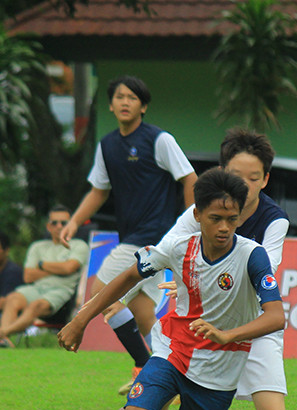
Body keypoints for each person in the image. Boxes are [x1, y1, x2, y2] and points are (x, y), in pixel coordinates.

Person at [89, 128, 297, 410]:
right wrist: (167, 284)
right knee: (158, 397)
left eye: (255, 179)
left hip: (249, 327)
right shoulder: (199, 210)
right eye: (238, 176)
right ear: (222, 172)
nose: (246, 186)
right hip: (197, 324)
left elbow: (262, 289)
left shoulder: (273, 222)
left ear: (266, 179)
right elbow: (164, 252)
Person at [60, 75, 197, 384]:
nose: (125, 102)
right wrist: (73, 221)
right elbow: (98, 190)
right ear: (110, 105)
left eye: (132, 98)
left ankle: (144, 366)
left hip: (150, 239)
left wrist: (191, 227)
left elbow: (189, 178)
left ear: (143, 106)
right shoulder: (107, 145)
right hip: (135, 238)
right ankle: (176, 377)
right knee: (144, 316)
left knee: (101, 294)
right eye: (119, 97)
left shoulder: (159, 140)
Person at [0, 206, 88, 348]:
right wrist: (59, 268)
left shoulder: (79, 245)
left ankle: (1, 333)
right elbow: (28, 276)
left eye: (63, 223)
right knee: (13, 298)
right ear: (48, 226)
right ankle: (5, 342)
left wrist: (41, 264)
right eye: (54, 223)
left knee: (36, 305)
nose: (58, 226)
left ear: (71, 225)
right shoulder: (37, 247)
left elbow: (69, 268)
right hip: (36, 288)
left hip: (61, 291)